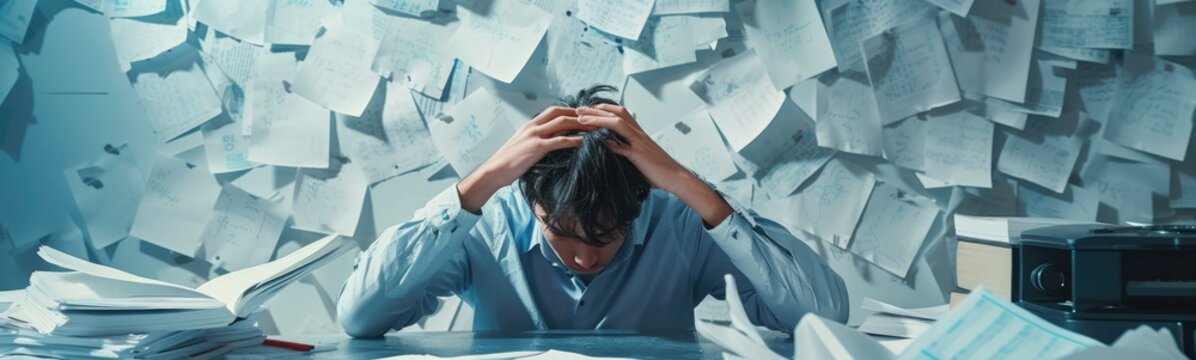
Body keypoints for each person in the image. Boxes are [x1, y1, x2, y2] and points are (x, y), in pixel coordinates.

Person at [336, 85, 848, 337]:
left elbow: (825, 319)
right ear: (531, 201)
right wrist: (483, 180)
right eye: (564, 234)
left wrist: (683, 182)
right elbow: (359, 316)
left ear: (640, 201)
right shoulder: (485, 224)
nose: (585, 258)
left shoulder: (677, 219)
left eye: (607, 236)